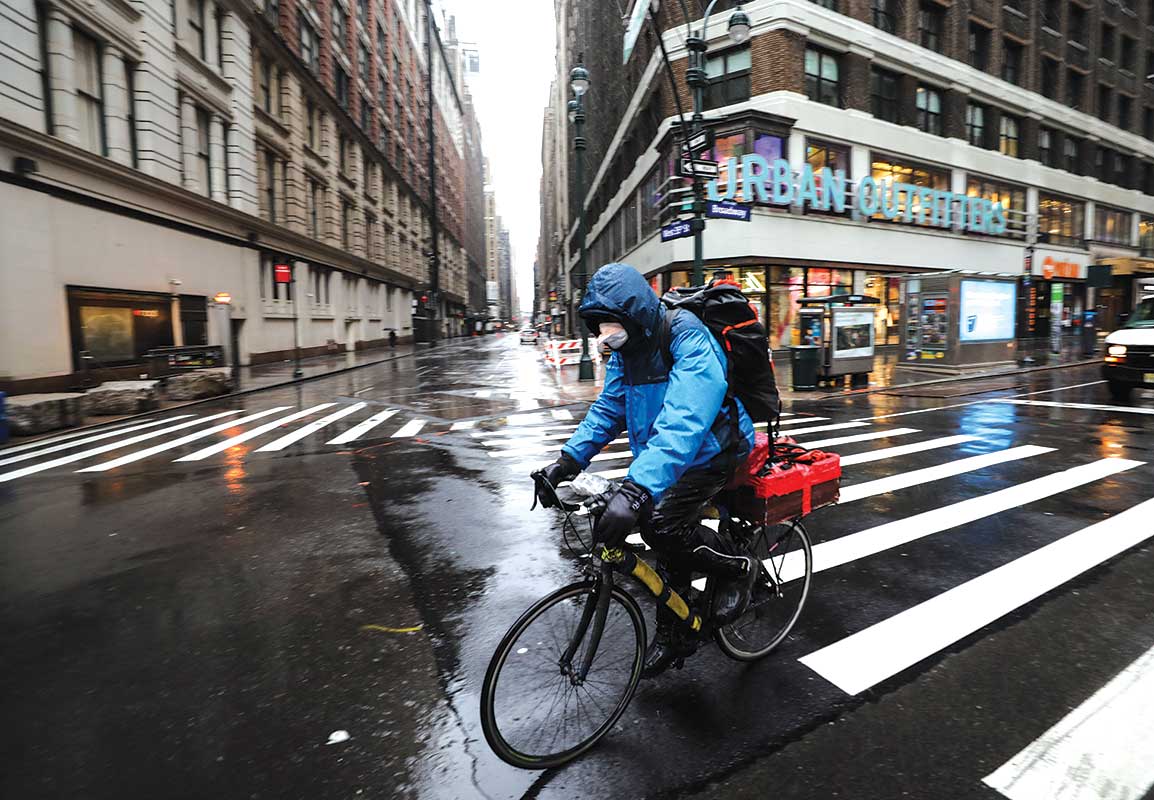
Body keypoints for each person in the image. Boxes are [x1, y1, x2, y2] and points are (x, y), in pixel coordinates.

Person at [535, 263, 758, 677]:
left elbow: (686, 419)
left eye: (611, 324)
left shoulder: (685, 333)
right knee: (663, 532)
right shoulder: (628, 351)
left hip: (715, 448)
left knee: (661, 524)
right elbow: (610, 408)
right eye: (600, 327)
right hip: (669, 455)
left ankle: (737, 568)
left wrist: (638, 489)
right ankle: (676, 632)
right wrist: (567, 461)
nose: (606, 335)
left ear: (634, 314)